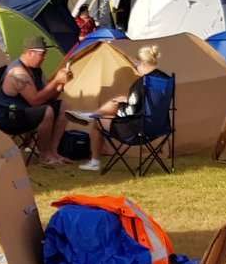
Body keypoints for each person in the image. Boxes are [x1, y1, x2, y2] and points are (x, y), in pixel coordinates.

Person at [68, 44, 162, 173]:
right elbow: (150, 103)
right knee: (116, 101)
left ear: (143, 63)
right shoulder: (162, 80)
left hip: (137, 129)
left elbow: (131, 112)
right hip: (158, 126)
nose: (135, 67)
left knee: (97, 122)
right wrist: (127, 100)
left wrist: (120, 111)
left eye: (137, 64)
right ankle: (91, 115)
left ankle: (94, 160)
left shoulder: (142, 83)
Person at [0, 43, 73, 167]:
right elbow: (36, 101)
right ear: (29, 53)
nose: (44, 58)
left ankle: (54, 152)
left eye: (45, 54)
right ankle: (44, 155)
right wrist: (55, 81)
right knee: (47, 111)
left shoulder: (35, 70)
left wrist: (60, 85)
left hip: (25, 111)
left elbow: (46, 97)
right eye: (42, 54)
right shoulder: (18, 73)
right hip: (9, 116)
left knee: (64, 106)